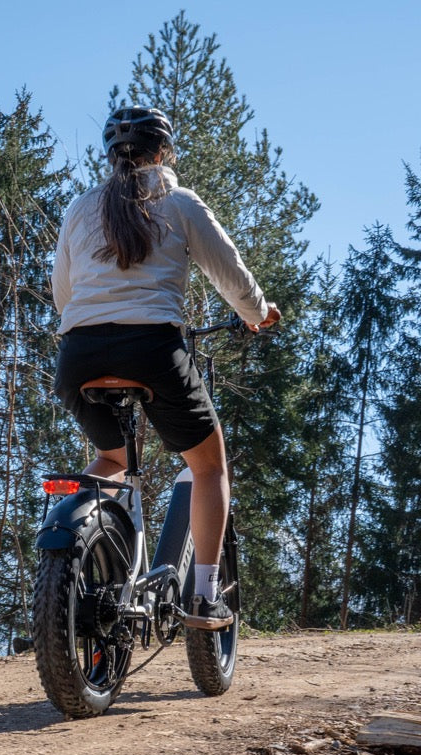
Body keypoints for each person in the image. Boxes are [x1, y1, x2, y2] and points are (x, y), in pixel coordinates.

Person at [50, 107, 281, 631]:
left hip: (78, 354)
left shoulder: (82, 207)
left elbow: (63, 293)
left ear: (110, 156)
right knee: (208, 465)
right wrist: (257, 313)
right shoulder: (178, 202)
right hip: (152, 348)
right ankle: (203, 597)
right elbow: (230, 272)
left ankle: (61, 567)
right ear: (164, 152)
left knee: (110, 458)